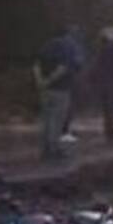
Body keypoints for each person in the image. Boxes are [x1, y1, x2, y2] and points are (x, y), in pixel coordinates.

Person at [33, 26, 80, 160]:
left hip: (44, 90)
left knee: (46, 120)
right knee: (57, 120)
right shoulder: (65, 47)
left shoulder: (45, 46)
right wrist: (49, 81)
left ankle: (45, 149)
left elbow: (36, 65)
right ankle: (54, 150)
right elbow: (62, 68)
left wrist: (40, 82)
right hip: (60, 89)